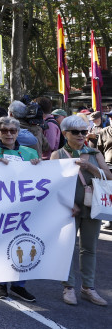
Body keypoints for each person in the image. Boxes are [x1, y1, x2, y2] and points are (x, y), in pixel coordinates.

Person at [0, 115, 40, 302]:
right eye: (4, 131)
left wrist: (38, 167)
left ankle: (19, 285)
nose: (9, 134)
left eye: (13, 131)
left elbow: (40, 179)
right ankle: (1, 283)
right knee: (1, 244)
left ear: (18, 132)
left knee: (24, 242)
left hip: (23, 206)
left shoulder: (30, 153)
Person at [51, 115, 112, 306]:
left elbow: (109, 177)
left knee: (89, 248)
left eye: (84, 132)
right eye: (75, 132)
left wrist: (91, 168)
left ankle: (88, 288)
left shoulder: (94, 153)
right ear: (65, 133)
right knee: (68, 248)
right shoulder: (58, 155)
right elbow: (54, 185)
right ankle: (68, 287)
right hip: (69, 210)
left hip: (93, 207)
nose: (80, 135)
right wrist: (69, 204)